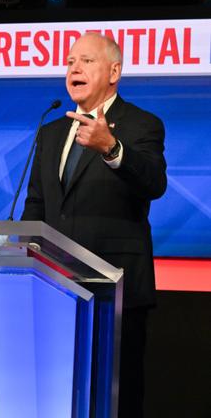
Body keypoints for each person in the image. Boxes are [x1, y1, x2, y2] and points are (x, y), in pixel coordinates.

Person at [22, 32, 167, 417]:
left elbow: (154, 183)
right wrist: (21, 250)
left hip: (114, 292)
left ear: (114, 71)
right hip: (56, 289)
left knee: (115, 401)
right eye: (70, 61)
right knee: (62, 398)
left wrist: (111, 148)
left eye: (86, 60)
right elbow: (37, 203)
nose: (74, 68)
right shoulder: (50, 132)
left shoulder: (141, 125)